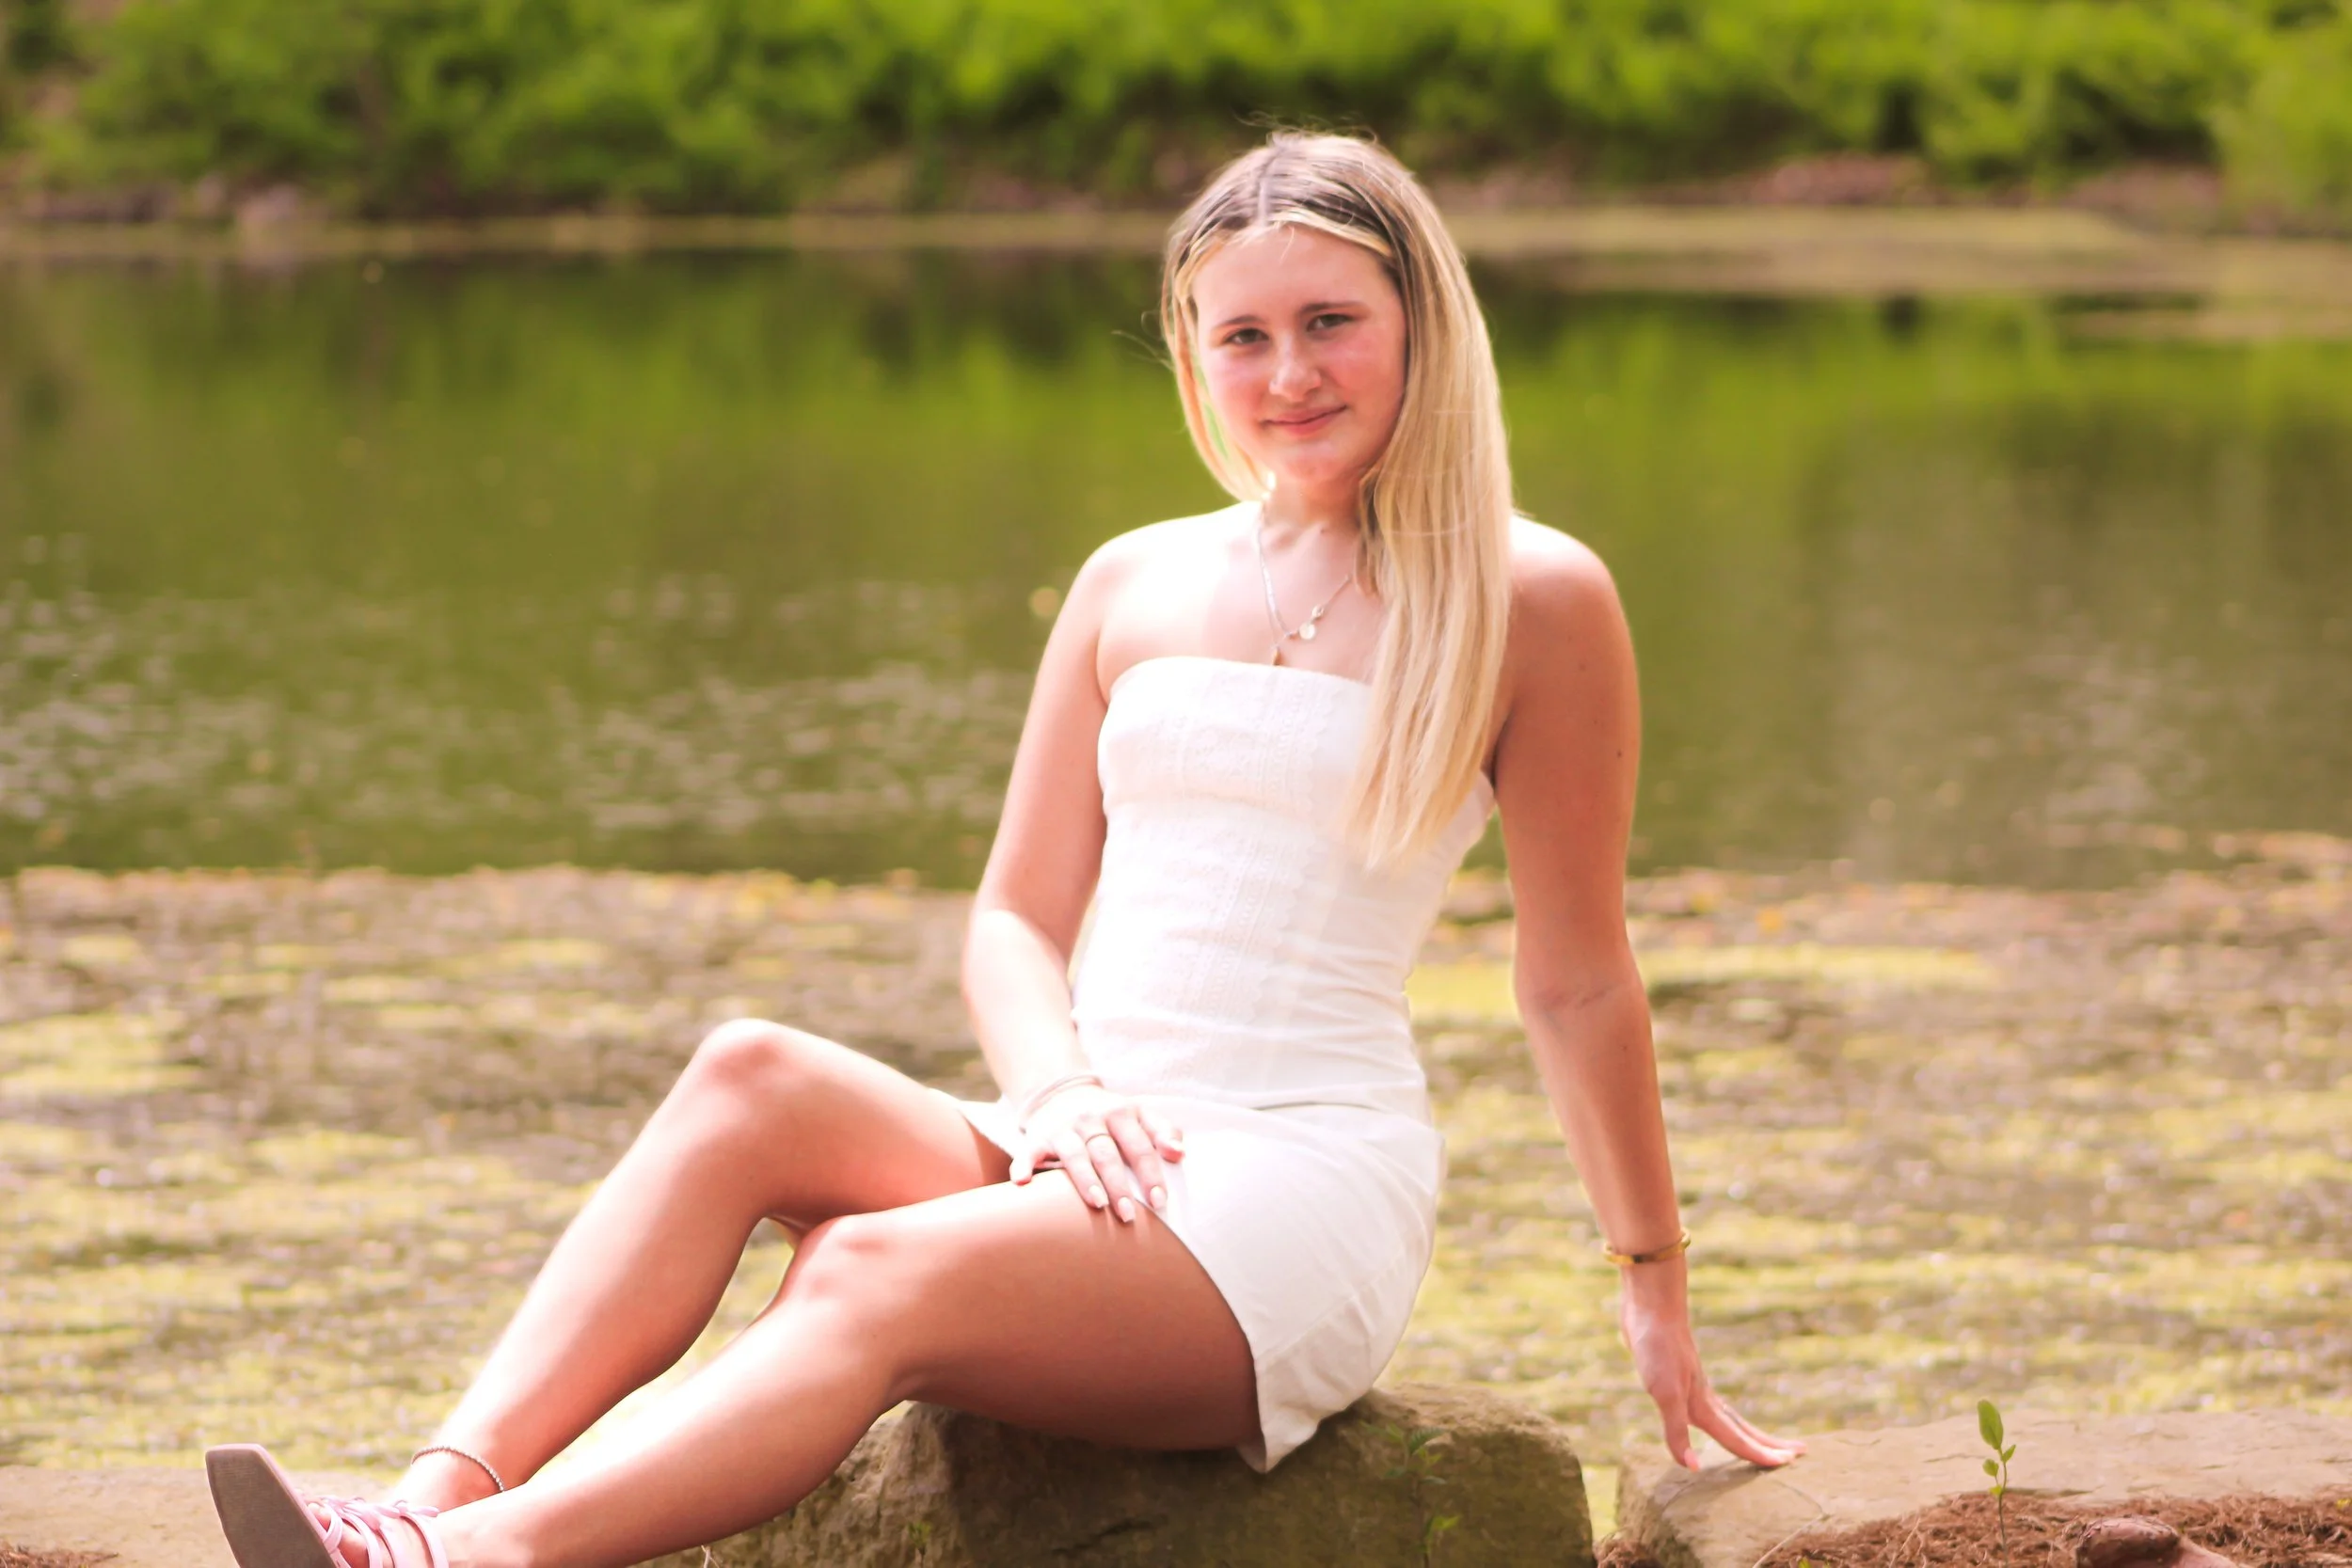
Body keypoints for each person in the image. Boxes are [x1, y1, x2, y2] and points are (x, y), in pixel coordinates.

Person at [203, 129, 1805, 1568]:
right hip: (1091, 1136)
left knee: (864, 1270)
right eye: (1240, 333)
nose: (1288, 371)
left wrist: (1651, 1274)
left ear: (1418, 331)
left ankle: (472, 1565)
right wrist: (1059, 1093)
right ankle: (418, 1499)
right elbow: (1014, 921)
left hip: (1292, 1184)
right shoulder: (1132, 581)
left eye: (1331, 322)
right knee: (749, 1069)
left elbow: (1579, 980)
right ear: (1191, 360)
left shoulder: (1534, 598)